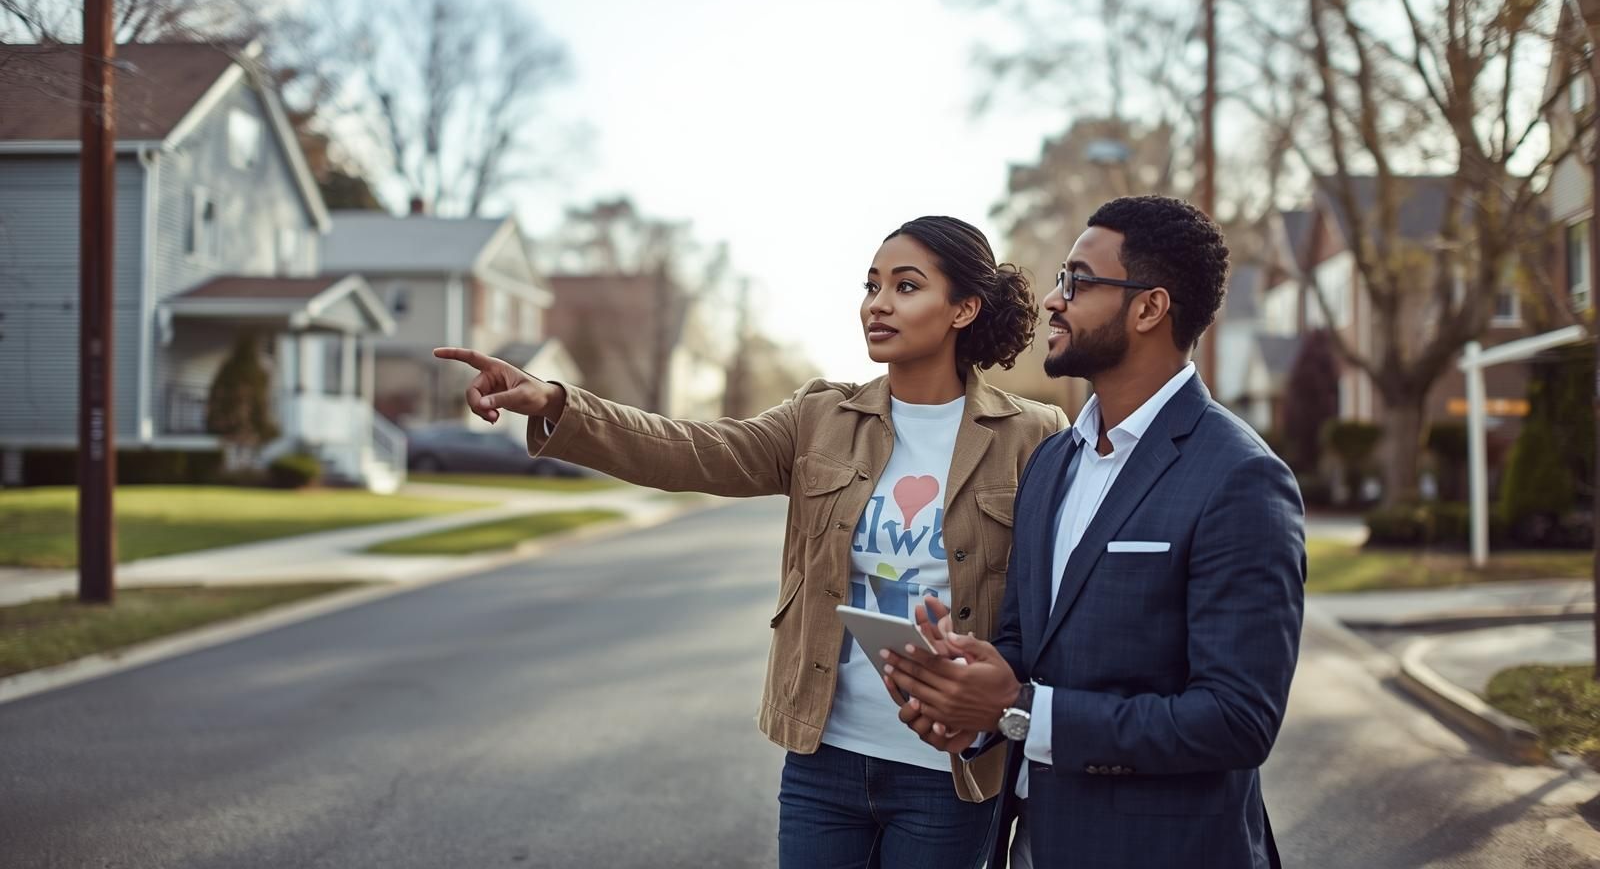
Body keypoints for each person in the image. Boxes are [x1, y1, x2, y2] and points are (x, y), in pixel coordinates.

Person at [433, 215, 1069, 869]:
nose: (877, 303)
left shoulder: (1034, 434)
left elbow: (1051, 604)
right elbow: (690, 452)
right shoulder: (821, 417)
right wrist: (555, 403)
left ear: (964, 308)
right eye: (871, 284)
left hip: (952, 771)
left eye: (906, 287)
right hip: (826, 757)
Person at [881, 196, 1305, 869]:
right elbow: (1027, 645)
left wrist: (1019, 709)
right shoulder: (1053, 460)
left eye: (1076, 281)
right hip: (1032, 844)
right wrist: (969, 700)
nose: (1052, 299)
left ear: (1148, 308)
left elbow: (1236, 720)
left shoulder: (1240, 478)